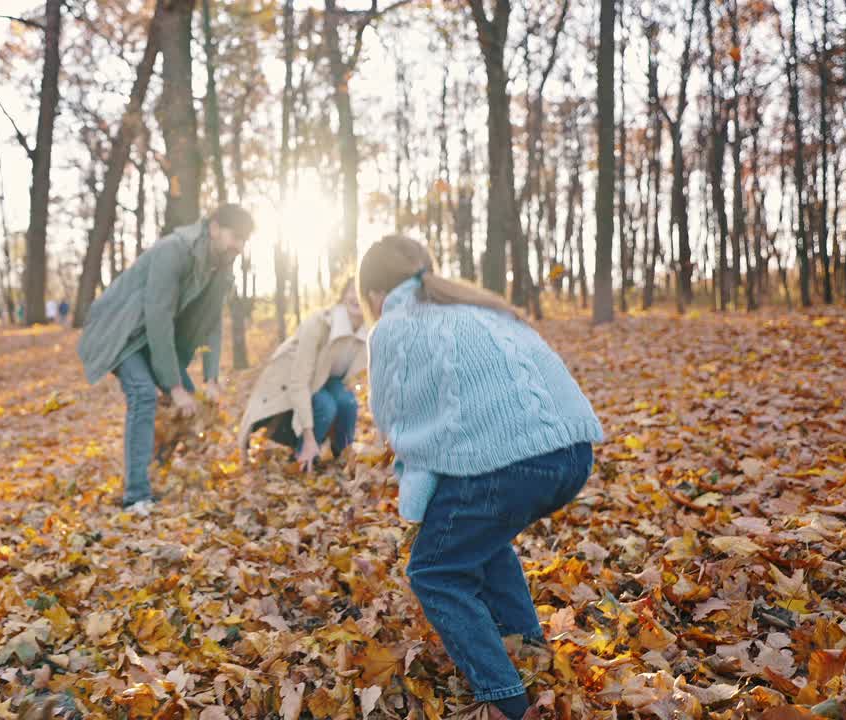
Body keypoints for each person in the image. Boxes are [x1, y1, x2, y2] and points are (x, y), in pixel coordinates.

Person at [359, 235, 603, 720]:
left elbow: (400, 430)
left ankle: (504, 700)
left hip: (512, 462)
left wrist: (417, 507)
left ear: (373, 293)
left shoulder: (394, 326)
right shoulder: (477, 305)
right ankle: (526, 645)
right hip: (572, 453)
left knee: (435, 570)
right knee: (480, 535)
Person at [78, 204, 254, 511]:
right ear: (213, 227)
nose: (238, 246)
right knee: (144, 394)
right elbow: (158, 317)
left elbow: (212, 324)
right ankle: (136, 496)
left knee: (191, 404)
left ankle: (153, 464)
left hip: (155, 337)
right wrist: (174, 386)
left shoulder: (220, 266)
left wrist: (211, 377)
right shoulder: (174, 250)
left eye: (243, 240)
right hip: (125, 331)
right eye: (234, 236)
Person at [238, 279, 367, 471]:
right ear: (342, 295)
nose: (356, 297)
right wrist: (308, 436)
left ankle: (343, 457)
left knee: (347, 402)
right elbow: (299, 381)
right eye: (351, 291)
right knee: (326, 405)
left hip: (327, 379)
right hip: (296, 377)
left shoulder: (368, 332)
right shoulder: (319, 323)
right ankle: (303, 455)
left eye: (361, 292)